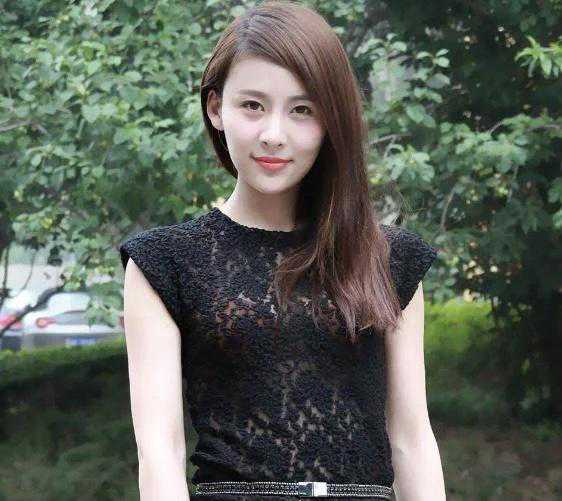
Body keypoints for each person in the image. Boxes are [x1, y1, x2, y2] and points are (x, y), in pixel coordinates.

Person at [119, 1, 446, 500]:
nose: (274, 135)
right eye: (252, 105)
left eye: (302, 110)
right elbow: (160, 453)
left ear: (330, 121)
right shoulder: (165, 263)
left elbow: (411, 440)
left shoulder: (388, 259)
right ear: (215, 108)